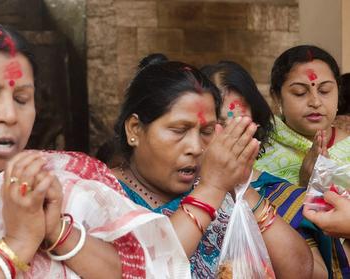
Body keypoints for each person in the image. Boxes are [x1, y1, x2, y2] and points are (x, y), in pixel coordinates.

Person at [0, 24, 189, 279]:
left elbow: (134, 272)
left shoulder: (57, 179)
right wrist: (16, 243)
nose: (9, 114)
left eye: (22, 99)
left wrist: (58, 232)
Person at [111, 54, 312, 278]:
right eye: (179, 130)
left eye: (206, 132)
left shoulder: (216, 185)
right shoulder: (101, 195)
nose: (196, 147)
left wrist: (242, 188)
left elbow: (299, 270)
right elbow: (145, 270)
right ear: (135, 129)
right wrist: (211, 189)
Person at [202, 60, 350, 278]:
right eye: (210, 126)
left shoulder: (280, 195)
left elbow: (316, 273)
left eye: (240, 126)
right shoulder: (168, 189)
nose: (226, 138)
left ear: (256, 125)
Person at [255, 45, 350, 187]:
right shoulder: (258, 150)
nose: (315, 102)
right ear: (277, 98)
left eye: (324, 91)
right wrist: (304, 186)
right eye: (300, 92)